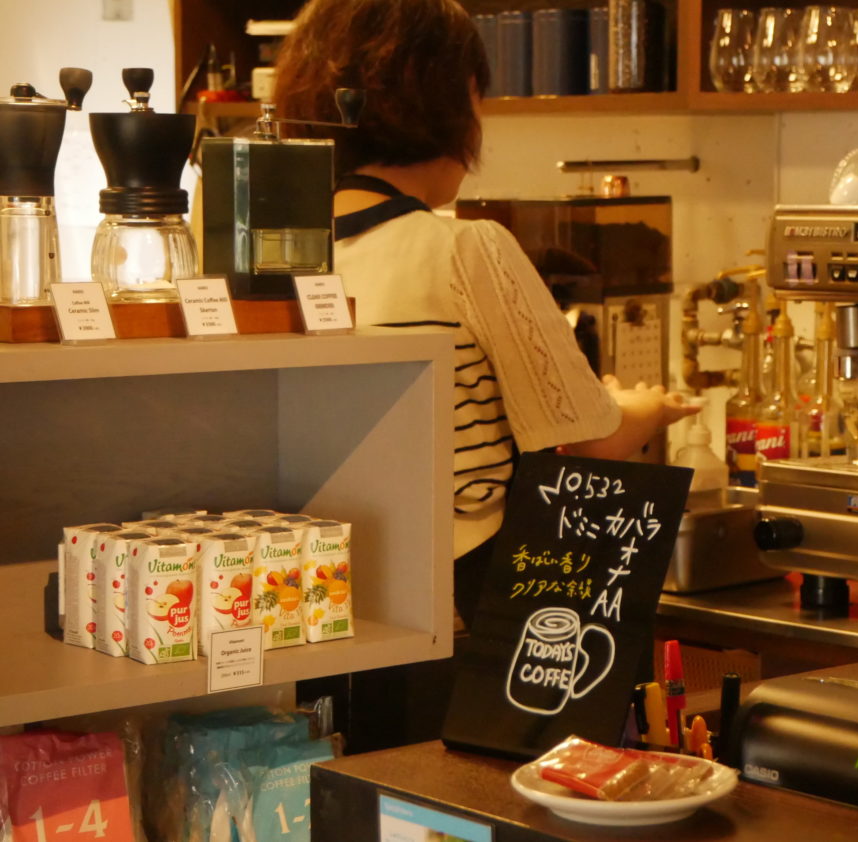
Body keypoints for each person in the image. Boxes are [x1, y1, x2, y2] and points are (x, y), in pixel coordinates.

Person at [273, 0, 698, 627]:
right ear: (453, 100)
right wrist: (652, 406)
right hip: (460, 596)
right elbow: (591, 437)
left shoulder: (275, 254)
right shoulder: (464, 247)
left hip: (314, 585)